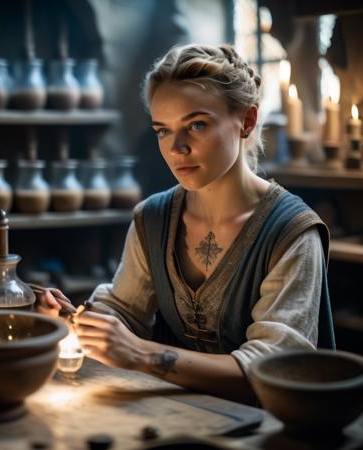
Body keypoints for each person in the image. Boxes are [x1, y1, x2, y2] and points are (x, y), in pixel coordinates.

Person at [36, 44, 335, 404]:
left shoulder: (292, 232)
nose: (177, 148)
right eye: (163, 130)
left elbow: (273, 370)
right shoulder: (153, 218)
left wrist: (142, 355)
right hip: (174, 412)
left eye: (196, 125)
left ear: (248, 120)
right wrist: (77, 320)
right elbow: (127, 311)